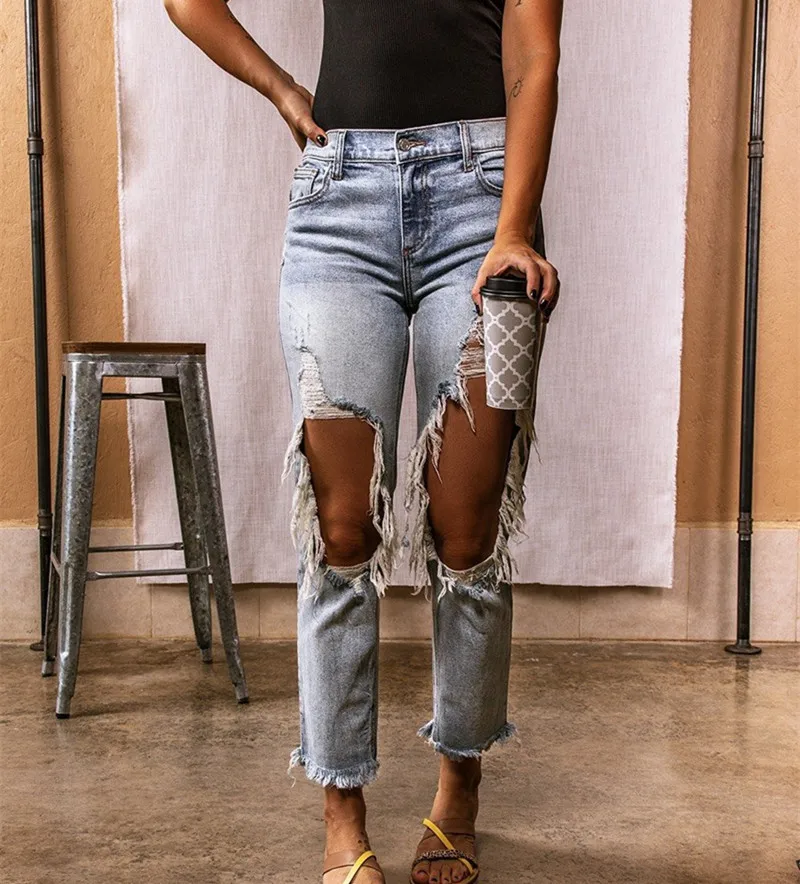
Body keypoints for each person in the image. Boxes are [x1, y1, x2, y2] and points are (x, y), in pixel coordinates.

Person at [164, 1, 562, 881]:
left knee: (467, 527)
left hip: (482, 199)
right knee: (342, 527)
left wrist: (514, 227)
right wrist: (279, 87)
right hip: (338, 206)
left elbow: (535, 57)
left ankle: (458, 787)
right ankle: (341, 809)